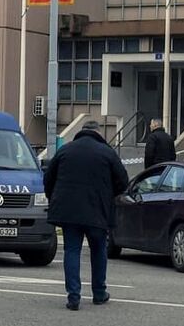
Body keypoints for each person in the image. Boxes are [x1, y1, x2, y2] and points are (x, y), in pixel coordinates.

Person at [43, 120, 128, 311]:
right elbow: (123, 182)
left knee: (72, 251)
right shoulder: (107, 152)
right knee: (98, 250)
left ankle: (73, 296)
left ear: (81, 132)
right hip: (98, 211)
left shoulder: (65, 150)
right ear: (98, 133)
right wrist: (108, 196)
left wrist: (53, 197)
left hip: (69, 211)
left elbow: (48, 179)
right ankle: (99, 293)